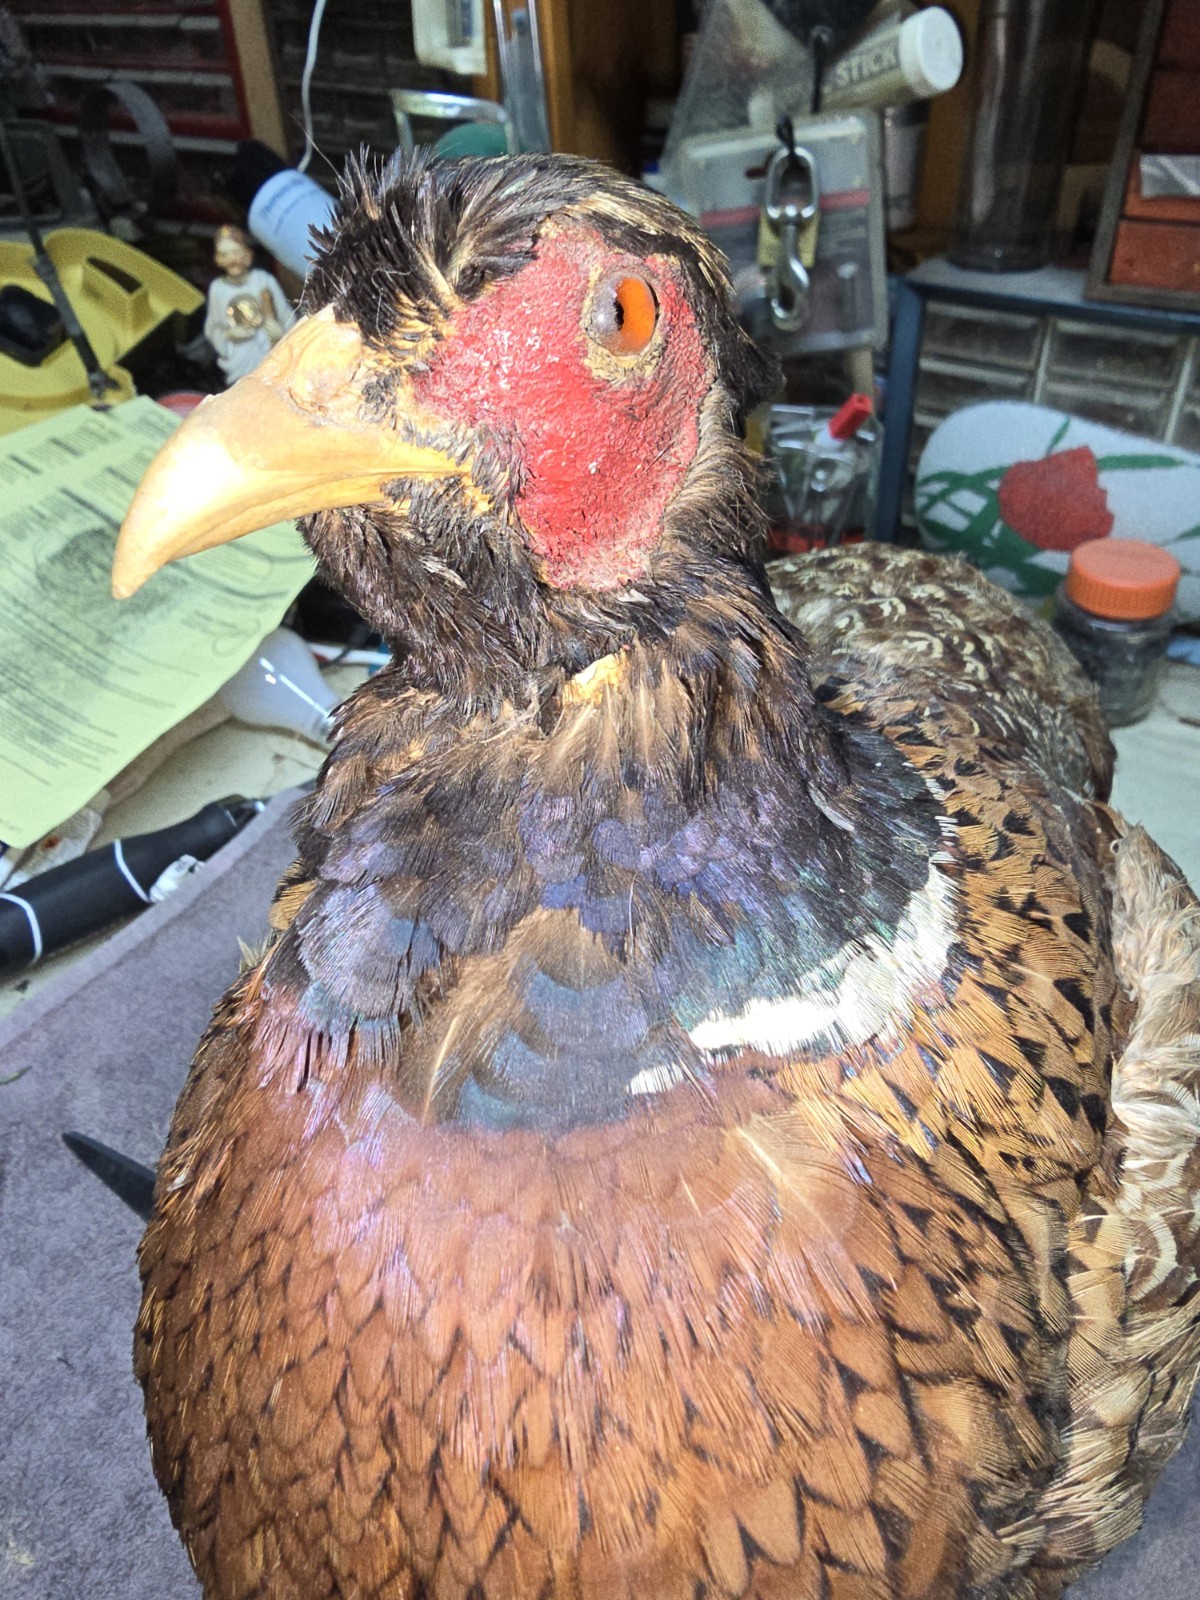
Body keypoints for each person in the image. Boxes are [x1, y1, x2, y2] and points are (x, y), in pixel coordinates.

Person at [204, 224, 294, 385]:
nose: (232, 260)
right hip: (239, 359)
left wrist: (281, 332)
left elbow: (286, 315)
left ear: (247, 254)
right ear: (218, 259)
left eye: (235, 252)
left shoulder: (263, 280)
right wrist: (229, 334)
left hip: (270, 352)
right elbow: (212, 328)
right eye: (225, 254)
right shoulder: (218, 289)